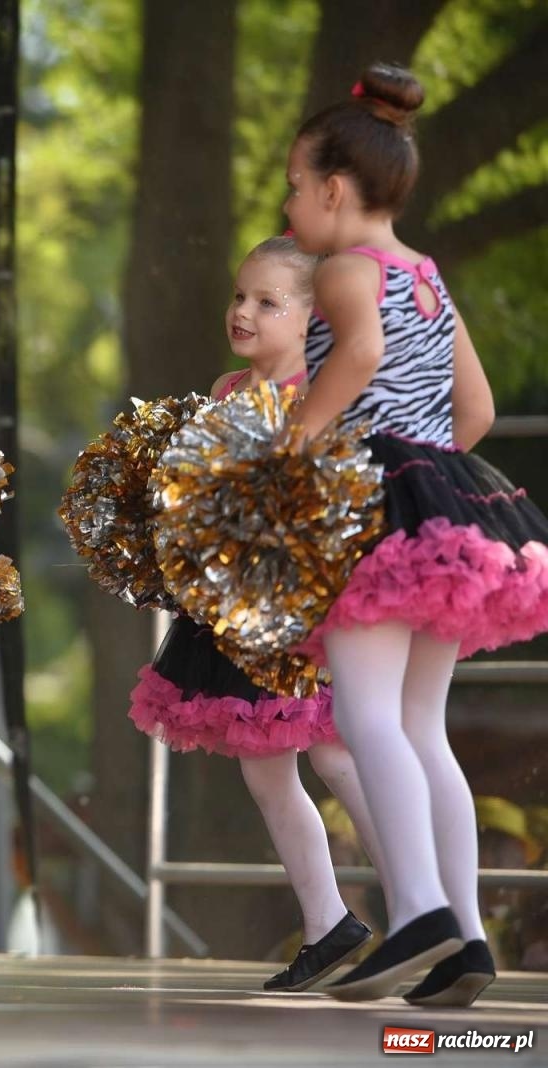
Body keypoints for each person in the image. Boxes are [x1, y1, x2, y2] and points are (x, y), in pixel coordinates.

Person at [283, 63, 548, 1005]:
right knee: (421, 727)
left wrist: (296, 447)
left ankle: (424, 910)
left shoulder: (344, 269)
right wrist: (427, 467)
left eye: (291, 185)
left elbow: (355, 354)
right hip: (446, 496)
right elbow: (470, 408)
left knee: (364, 715)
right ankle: (467, 939)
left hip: (376, 497)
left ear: (331, 189)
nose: (289, 204)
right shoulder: (427, 275)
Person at [129, 237, 383, 992]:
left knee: (338, 753)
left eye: (267, 302)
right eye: (240, 296)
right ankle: (327, 921)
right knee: (266, 769)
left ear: (314, 316)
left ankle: (426, 905)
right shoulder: (224, 388)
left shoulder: (323, 387)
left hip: (307, 604)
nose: (243, 311)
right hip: (235, 611)